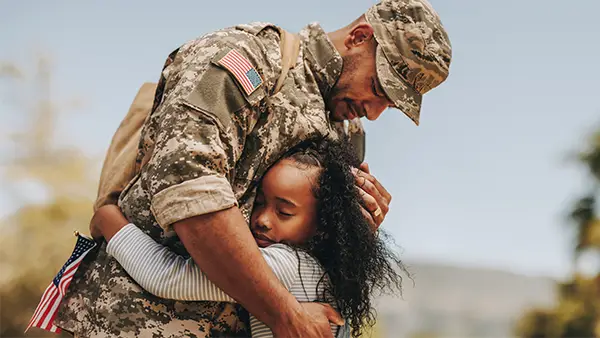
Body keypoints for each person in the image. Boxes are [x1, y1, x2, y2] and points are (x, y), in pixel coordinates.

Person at [55, 0, 452, 336]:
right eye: (379, 88)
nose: (376, 111)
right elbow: (192, 193)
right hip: (134, 323)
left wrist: (357, 227)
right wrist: (284, 313)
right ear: (359, 37)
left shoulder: (346, 133)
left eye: (391, 104)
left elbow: (309, 258)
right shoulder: (249, 59)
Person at [91, 139, 407, 338]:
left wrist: (109, 219)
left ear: (321, 227)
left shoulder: (285, 265)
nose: (262, 219)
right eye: (258, 203)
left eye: (284, 213)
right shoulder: (325, 272)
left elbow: (166, 277)